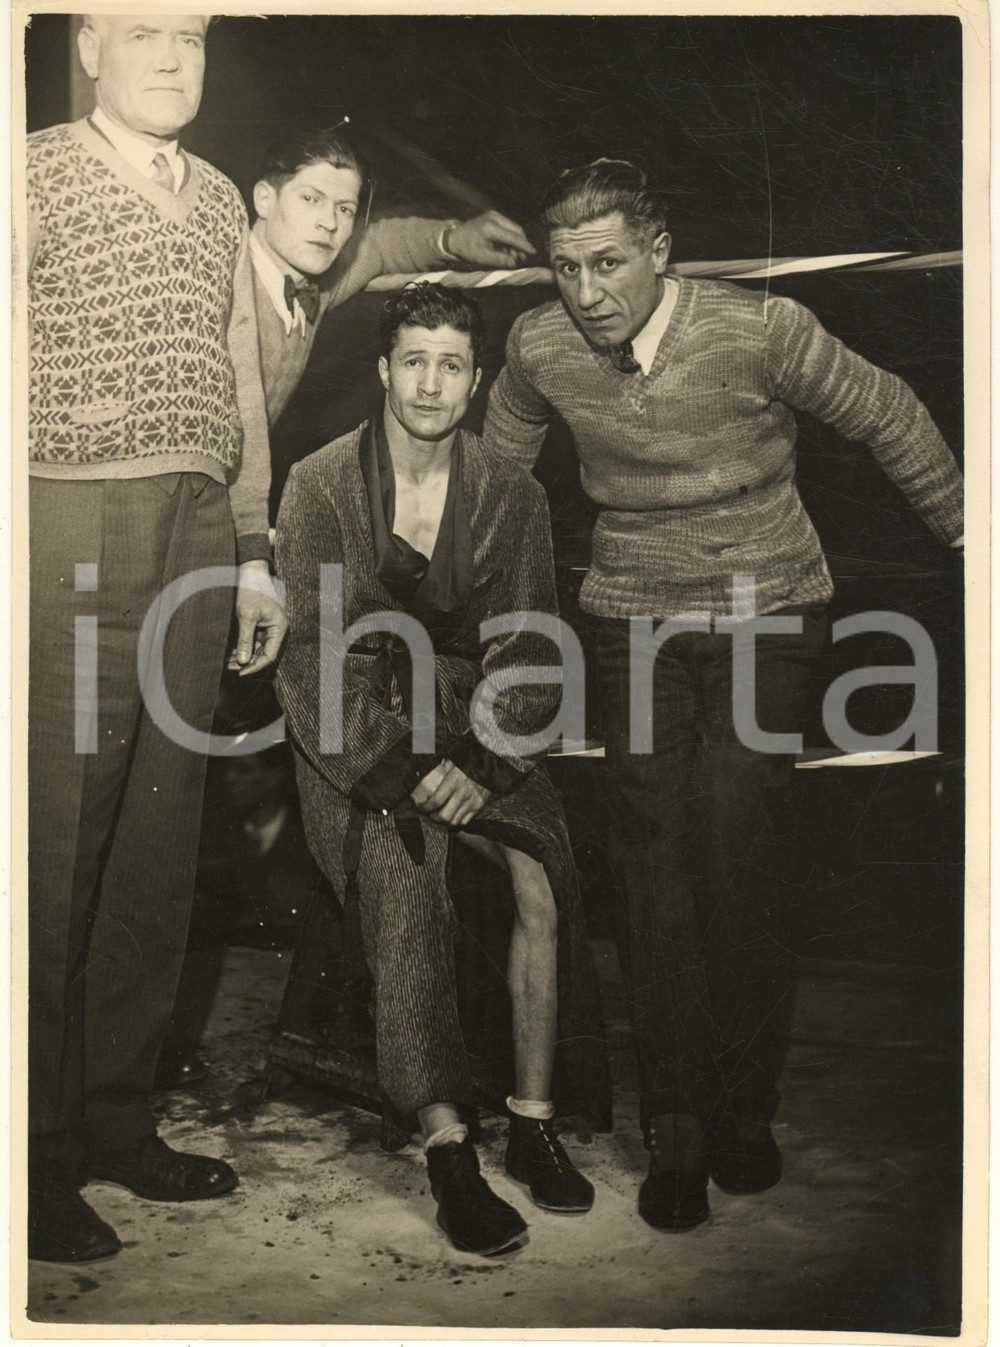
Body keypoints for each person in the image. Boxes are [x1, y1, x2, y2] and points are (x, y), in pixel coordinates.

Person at [483, 158, 964, 1232]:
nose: (586, 290)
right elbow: (495, 471)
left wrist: (974, 536)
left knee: (736, 842)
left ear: (659, 251)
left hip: (768, 605)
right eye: (564, 268)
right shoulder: (540, 343)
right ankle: (679, 1129)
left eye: (608, 263)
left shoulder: (762, 330)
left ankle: (747, 1108)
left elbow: (886, 408)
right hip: (630, 614)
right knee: (650, 868)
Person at [274, 283, 609, 1255]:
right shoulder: (321, 482)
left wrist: (483, 757)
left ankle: (535, 1124)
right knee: (406, 860)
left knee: (542, 870)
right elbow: (310, 659)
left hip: (472, 728)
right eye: (413, 360)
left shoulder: (512, 493)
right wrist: (395, 768)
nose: (430, 382)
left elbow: (535, 649)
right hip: (357, 738)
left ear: (475, 381)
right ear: (384, 370)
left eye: (451, 364)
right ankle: (447, 1146)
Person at [26, 14, 286, 1262]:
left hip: (197, 525)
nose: (176, 54)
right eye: (145, 30)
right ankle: (24, 1151)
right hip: (66, 517)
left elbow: (240, 383)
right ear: (86, 44)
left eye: (192, 32)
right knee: (51, 842)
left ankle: (114, 1120)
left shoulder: (226, 197)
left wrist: (256, 552)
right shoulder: (29, 169)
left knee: (155, 838)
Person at [241, 126, 534, 428]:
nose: (329, 222)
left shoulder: (311, 282)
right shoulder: (219, 286)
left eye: (344, 209)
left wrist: (454, 239)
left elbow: (378, 244)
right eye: (310, 199)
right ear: (264, 200)